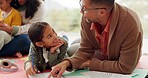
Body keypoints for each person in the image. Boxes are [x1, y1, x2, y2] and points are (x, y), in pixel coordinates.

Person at [48, 0, 143, 77]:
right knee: (73, 49)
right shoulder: (87, 18)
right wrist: (66, 63)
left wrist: (90, 64)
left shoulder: (129, 24)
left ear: (102, 12)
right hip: (101, 51)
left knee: (73, 51)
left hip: (117, 57)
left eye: (84, 8)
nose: (81, 11)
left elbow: (126, 67)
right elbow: (85, 50)